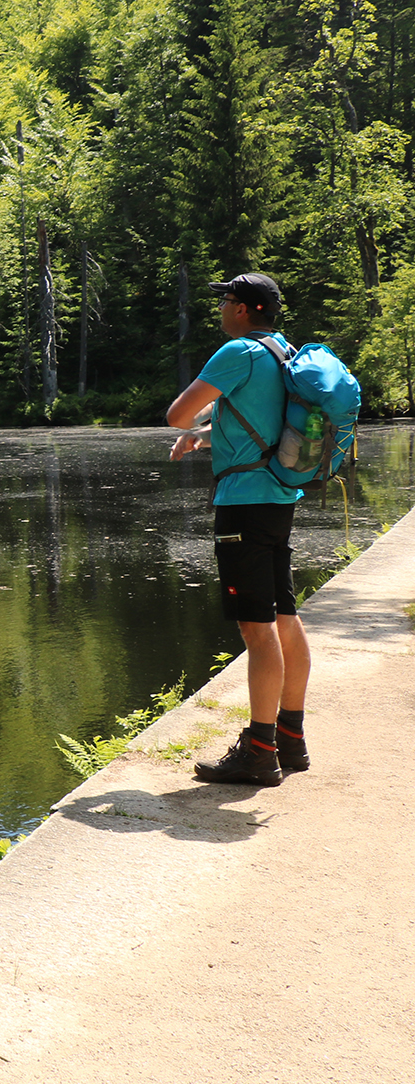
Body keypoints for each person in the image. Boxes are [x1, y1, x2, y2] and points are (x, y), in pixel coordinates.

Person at [165, 272, 311, 786]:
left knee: (256, 625)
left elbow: (175, 414)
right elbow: (262, 420)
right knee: (286, 614)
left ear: (245, 308)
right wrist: (208, 436)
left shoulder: (237, 354)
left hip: (243, 504)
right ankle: (291, 739)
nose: (221, 308)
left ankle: (259, 750)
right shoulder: (282, 351)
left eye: (226, 300)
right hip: (279, 497)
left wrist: (197, 420)